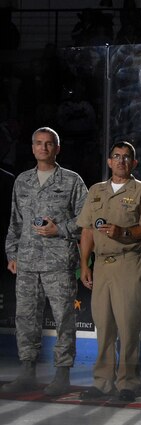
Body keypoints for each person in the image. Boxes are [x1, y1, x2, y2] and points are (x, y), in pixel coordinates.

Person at [2, 127, 88, 396]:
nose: (43, 148)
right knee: (25, 318)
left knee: (64, 318)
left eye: (49, 144)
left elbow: (86, 221)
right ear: (32, 148)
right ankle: (27, 372)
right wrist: (12, 254)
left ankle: (62, 375)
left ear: (57, 148)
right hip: (27, 262)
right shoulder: (22, 181)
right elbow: (15, 222)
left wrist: (59, 229)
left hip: (58, 262)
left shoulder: (72, 181)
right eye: (38, 143)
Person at [77, 141, 141, 402]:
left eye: (127, 157)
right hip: (101, 265)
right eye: (116, 156)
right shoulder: (96, 191)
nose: (121, 161)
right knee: (103, 326)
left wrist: (124, 232)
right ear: (109, 161)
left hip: (128, 261)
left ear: (134, 163)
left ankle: (128, 383)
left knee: (128, 326)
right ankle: (102, 383)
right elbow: (87, 230)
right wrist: (84, 264)